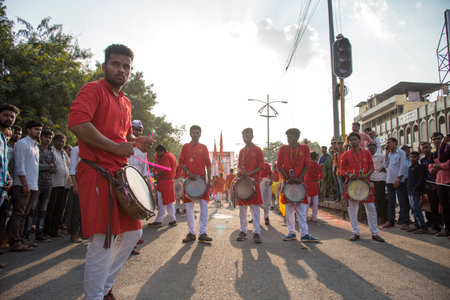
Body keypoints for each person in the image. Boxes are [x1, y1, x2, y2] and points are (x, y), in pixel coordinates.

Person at [68, 44, 154, 300]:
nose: (121, 70)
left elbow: (123, 136)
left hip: (118, 175)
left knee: (133, 233)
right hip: (96, 172)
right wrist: (117, 147)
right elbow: (78, 124)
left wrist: (135, 142)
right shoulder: (93, 90)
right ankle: (95, 296)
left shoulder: (125, 102)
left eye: (126, 66)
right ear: (104, 66)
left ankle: (103, 288)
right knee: (103, 239)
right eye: (116, 64)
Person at [277, 128, 319, 242]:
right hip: (288, 183)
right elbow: (279, 165)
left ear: (297, 137)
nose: (289, 139)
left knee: (301, 209)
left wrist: (300, 178)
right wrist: (287, 178)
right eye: (287, 137)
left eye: (291, 137)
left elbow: (307, 164)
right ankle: (291, 232)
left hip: (300, 183)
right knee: (289, 209)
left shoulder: (305, 148)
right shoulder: (283, 148)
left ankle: (304, 234)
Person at [340, 133, 384, 242]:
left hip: (365, 185)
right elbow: (342, 170)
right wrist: (349, 175)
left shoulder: (367, 153)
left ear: (360, 141)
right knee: (353, 210)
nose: (354, 141)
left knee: (371, 208)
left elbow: (371, 168)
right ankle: (355, 232)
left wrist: (366, 175)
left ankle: (374, 233)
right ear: (349, 142)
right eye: (351, 140)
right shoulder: (345, 155)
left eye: (355, 139)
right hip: (352, 185)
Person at [9, 120, 42, 251]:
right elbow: (20, 166)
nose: (38, 132)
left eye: (39, 129)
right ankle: (14, 241)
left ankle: (21, 239)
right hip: (22, 185)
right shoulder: (22, 144)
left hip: (33, 185)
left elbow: (34, 168)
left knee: (25, 214)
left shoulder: (35, 146)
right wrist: (25, 184)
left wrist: (35, 186)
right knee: (18, 214)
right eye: (36, 129)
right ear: (28, 130)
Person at [178, 125, 212, 243]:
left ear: (200, 134)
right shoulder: (185, 147)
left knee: (204, 207)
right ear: (190, 133)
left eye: (197, 132)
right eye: (193, 132)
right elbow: (181, 163)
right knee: (189, 208)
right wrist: (188, 172)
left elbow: (208, 165)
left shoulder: (204, 147)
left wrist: (209, 181)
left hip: (201, 182)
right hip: (189, 182)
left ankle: (203, 232)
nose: (195, 134)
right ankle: (191, 233)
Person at [235, 128, 264, 244]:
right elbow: (238, 166)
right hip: (243, 182)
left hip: (254, 181)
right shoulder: (241, 151)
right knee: (242, 209)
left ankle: (257, 233)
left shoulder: (257, 150)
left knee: (255, 208)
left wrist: (249, 174)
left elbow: (261, 166)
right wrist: (239, 172)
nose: (245, 137)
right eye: (243, 136)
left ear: (252, 136)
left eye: (247, 135)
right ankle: (243, 231)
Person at [31, 130, 55, 243]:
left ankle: (39, 233)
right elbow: (35, 166)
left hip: (48, 183)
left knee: (43, 210)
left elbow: (54, 168)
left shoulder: (51, 151)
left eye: (50, 137)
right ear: (41, 137)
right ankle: (26, 234)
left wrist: (48, 166)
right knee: (32, 209)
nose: (48, 139)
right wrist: (48, 166)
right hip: (36, 182)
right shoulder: (37, 149)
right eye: (46, 137)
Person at [43, 134, 70, 237]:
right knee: (51, 209)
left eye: (63, 141)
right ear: (54, 141)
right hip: (53, 184)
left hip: (64, 185)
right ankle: (47, 231)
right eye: (59, 141)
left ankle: (54, 230)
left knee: (60, 209)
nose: (61, 143)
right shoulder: (51, 151)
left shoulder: (63, 153)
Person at [381, 137, 409, 229]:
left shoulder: (401, 153)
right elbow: (385, 166)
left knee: (402, 202)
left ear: (395, 143)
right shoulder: (389, 154)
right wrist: (386, 154)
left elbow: (402, 166)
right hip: (389, 180)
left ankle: (405, 222)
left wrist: (398, 179)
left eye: (389, 142)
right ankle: (390, 221)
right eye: (386, 143)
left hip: (399, 181)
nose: (387, 144)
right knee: (391, 202)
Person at [148, 144, 177, 227]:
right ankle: (173, 219)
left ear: (162, 151)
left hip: (164, 182)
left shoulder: (165, 157)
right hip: (169, 181)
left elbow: (166, 169)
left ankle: (159, 220)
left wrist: (157, 175)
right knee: (170, 202)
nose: (156, 154)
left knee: (162, 201)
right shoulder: (170, 155)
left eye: (157, 152)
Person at [429, 132, 450, 237]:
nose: (437, 141)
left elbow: (448, 164)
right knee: (444, 206)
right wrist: (436, 167)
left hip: (448, 182)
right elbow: (431, 168)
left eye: (439, 138)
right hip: (439, 182)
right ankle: (447, 229)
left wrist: (438, 166)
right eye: (434, 139)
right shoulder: (433, 153)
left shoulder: (448, 148)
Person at [420, 142, 441, 234]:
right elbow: (424, 173)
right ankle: (435, 226)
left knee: (443, 205)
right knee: (433, 206)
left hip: (440, 183)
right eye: (423, 148)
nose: (425, 149)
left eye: (426, 147)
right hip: (429, 185)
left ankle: (443, 224)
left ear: (430, 147)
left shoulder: (436, 156)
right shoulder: (422, 160)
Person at [406, 151, 427, 233]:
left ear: (418, 158)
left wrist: (416, 188)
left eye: (414, 157)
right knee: (413, 209)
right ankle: (416, 225)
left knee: (417, 209)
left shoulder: (419, 167)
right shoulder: (410, 167)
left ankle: (423, 227)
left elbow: (421, 179)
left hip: (416, 191)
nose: (413, 158)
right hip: (410, 190)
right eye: (411, 157)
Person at [368, 143, 388, 224]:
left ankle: (382, 216)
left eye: (373, 148)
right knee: (373, 198)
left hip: (380, 179)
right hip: (371, 178)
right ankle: (375, 216)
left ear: (375, 148)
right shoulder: (367, 157)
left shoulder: (380, 156)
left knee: (381, 198)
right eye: (370, 148)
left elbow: (385, 165)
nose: (371, 149)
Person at [304, 152, 323, 222]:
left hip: (308, 184)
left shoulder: (307, 165)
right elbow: (321, 176)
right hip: (315, 184)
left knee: (307, 202)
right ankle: (314, 217)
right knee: (315, 201)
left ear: (310, 157)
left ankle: (305, 217)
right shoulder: (319, 166)